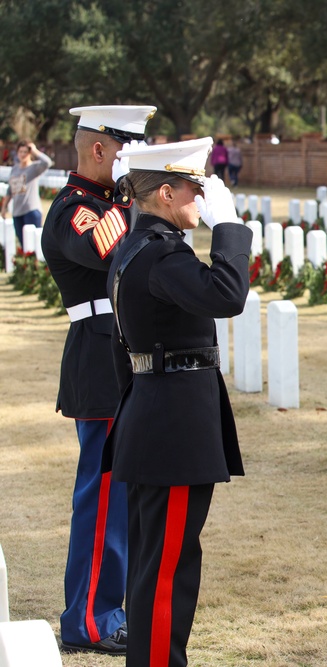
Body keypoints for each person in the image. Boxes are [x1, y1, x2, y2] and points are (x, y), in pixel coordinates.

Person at [104, 138, 251, 666]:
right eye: (196, 188)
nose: (203, 197)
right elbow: (228, 294)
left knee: (155, 566)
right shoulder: (162, 255)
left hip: (155, 420)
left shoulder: (135, 247)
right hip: (172, 432)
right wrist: (229, 225)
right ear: (166, 193)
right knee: (167, 570)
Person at [40, 104, 156, 656]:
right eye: (131, 153)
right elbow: (103, 245)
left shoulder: (111, 203)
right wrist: (141, 196)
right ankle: (89, 619)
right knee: (105, 497)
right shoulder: (73, 210)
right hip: (98, 357)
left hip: (127, 354)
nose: (138, 167)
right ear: (101, 151)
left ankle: (114, 608)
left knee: (127, 495)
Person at [0, 140, 53, 246]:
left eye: (25, 152)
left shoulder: (34, 168)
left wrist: (34, 150)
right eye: (21, 152)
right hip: (17, 213)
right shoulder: (14, 169)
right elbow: (10, 190)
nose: (23, 154)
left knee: (35, 244)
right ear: (17, 153)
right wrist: (4, 207)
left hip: (31, 211)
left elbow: (47, 162)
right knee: (23, 244)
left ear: (29, 153)